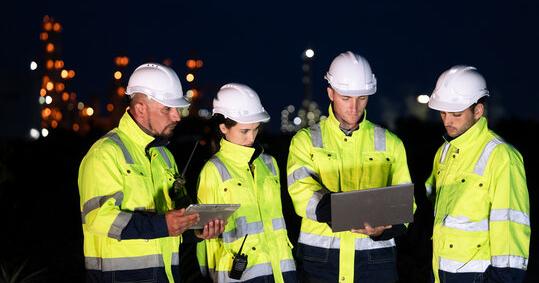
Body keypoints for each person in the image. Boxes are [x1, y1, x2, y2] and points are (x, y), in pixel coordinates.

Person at [78, 63, 226, 282]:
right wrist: (161, 225)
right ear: (140, 109)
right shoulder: (105, 154)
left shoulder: (165, 157)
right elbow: (98, 218)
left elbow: (173, 221)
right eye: (167, 108)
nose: (177, 116)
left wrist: (195, 231)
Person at [287, 51, 414, 283]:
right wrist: (346, 212)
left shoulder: (391, 143)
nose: (354, 107)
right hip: (320, 261)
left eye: (362, 98)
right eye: (346, 98)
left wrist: (383, 230)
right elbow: (300, 193)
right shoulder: (306, 141)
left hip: (375, 260)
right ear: (330, 93)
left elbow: (406, 203)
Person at [425, 65, 530, 283]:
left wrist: (503, 279)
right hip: (441, 271)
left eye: (456, 114)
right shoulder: (444, 151)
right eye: (443, 113)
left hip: (480, 276)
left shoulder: (502, 156)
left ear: (478, 111)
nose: (447, 121)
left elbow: (510, 225)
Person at [196, 83, 297, 282]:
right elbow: (207, 239)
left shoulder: (270, 163)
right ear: (223, 127)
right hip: (241, 275)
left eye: (256, 129)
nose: (251, 138)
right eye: (244, 131)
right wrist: (209, 276)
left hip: (283, 269)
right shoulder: (213, 170)